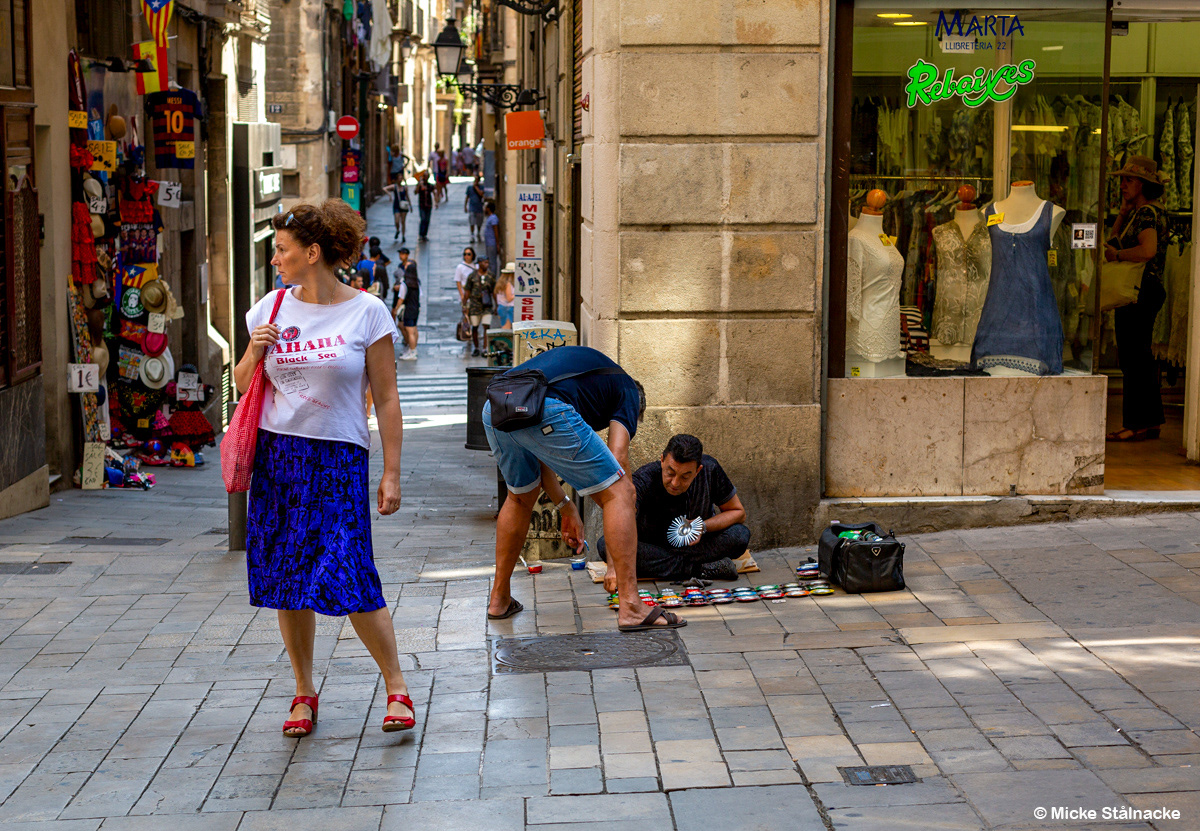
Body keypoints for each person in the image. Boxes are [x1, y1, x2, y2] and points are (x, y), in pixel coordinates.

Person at [235, 199, 414, 738]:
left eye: (283, 251)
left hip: (337, 459)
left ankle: (397, 686)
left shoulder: (367, 312)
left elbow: (385, 399)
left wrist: (391, 471)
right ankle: (303, 691)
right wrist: (253, 350)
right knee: (287, 580)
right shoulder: (269, 309)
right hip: (278, 456)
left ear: (313, 253)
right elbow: (242, 384)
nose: (276, 260)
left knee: (351, 572)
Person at [482, 346, 680, 631]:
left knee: (519, 498)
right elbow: (618, 460)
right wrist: (612, 566)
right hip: (542, 405)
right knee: (621, 491)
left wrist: (566, 506)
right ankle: (632, 606)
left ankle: (499, 600)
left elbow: (541, 456)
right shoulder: (627, 390)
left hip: (497, 405)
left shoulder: (585, 387)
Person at [598, 434, 749, 583]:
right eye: (670, 473)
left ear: (697, 470)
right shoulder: (645, 478)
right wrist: (612, 569)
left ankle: (673, 567)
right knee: (606, 545)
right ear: (662, 461)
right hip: (654, 549)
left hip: (695, 547)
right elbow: (619, 521)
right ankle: (699, 569)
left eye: (685, 477)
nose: (675, 483)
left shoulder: (710, 469)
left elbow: (737, 512)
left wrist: (702, 527)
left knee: (740, 535)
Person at [1105, 155, 1168, 442]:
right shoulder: (1144, 212)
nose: (1122, 185)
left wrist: (1118, 256)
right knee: (1139, 356)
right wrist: (1122, 212)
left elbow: (1147, 250)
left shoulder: (1146, 215)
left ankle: (1135, 423)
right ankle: (1149, 421)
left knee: (1133, 357)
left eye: (1128, 180)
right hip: (1143, 290)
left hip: (1138, 291)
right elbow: (1112, 240)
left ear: (1142, 184)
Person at [393, 246, 420, 361]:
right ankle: (412, 350)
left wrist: (396, 308)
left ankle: (412, 351)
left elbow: (401, 298)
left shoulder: (405, 284)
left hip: (408, 308)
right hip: (416, 307)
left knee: (409, 331)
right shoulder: (416, 282)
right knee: (413, 330)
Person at [464, 258, 494, 357]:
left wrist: (497, 304)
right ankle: (476, 347)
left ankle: (485, 348)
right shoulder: (472, 276)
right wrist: (464, 305)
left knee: (486, 326)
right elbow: (467, 291)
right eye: (485, 262)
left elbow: (493, 291)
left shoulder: (491, 276)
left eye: (488, 262)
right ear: (480, 263)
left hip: (487, 306)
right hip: (474, 306)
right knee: (475, 327)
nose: (487, 264)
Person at [482, 199, 501, 278]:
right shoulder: (490, 218)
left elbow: (496, 231)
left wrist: (497, 244)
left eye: (486, 208)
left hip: (492, 243)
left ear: (488, 209)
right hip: (489, 242)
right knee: (490, 260)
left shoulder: (493, 218)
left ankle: (492, 277)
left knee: (492, 262)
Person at [494, 262, 515, 329]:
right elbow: (509, 298)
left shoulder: (501, 282)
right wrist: (517, 293)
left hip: (502, 307)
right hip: (507, 309)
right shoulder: (508, 284)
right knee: (507, 330)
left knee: (505, 329)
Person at [415, 171, 434, 242]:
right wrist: (419, 186)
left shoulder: (429, 185)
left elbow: (434, 192)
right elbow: (415, 192)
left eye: (427, 176)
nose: (426, 178)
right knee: (423, 219)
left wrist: (436, 201)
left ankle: (424, 235)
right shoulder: (420, 184)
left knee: (427, 220)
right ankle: (421, 234)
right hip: (422, 205)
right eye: (425, 176)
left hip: (429, 205)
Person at [465, 176, 485, 242]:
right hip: (472, 208)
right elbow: (467, 197)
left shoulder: (481, 187)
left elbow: (481, 194)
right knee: (472, 222)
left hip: (479, 208)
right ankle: (472, 235)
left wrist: (476, 187)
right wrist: (465, 206)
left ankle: (478, 233)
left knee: (479, 222)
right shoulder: (470, 188)